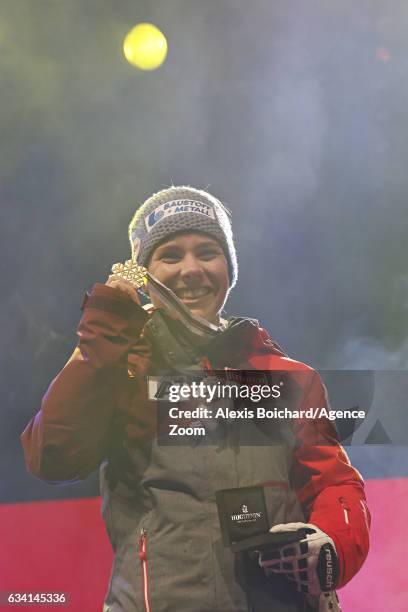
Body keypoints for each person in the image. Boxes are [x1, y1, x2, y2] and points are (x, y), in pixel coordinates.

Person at [21, 186, 370, 612]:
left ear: (229, 266)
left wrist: (332, 545)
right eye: (170, 256)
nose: (191, 270)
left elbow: (333, 483)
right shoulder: (121, 372)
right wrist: (107, 327)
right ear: (145, 274)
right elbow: (53, 457)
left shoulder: (289, 378)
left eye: (207, 252)